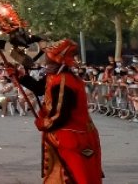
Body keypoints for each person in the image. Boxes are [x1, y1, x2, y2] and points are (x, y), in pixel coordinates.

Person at [15, 39, 104, 183]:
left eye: (49, 59)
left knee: (71, 177)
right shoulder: (55, 76)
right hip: (71, 135)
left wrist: (43, 123)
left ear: (59, 61)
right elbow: (39, 89)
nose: (46, 62)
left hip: (71, 136)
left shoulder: (64, 82)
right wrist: (20, 76)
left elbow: (61, 115)